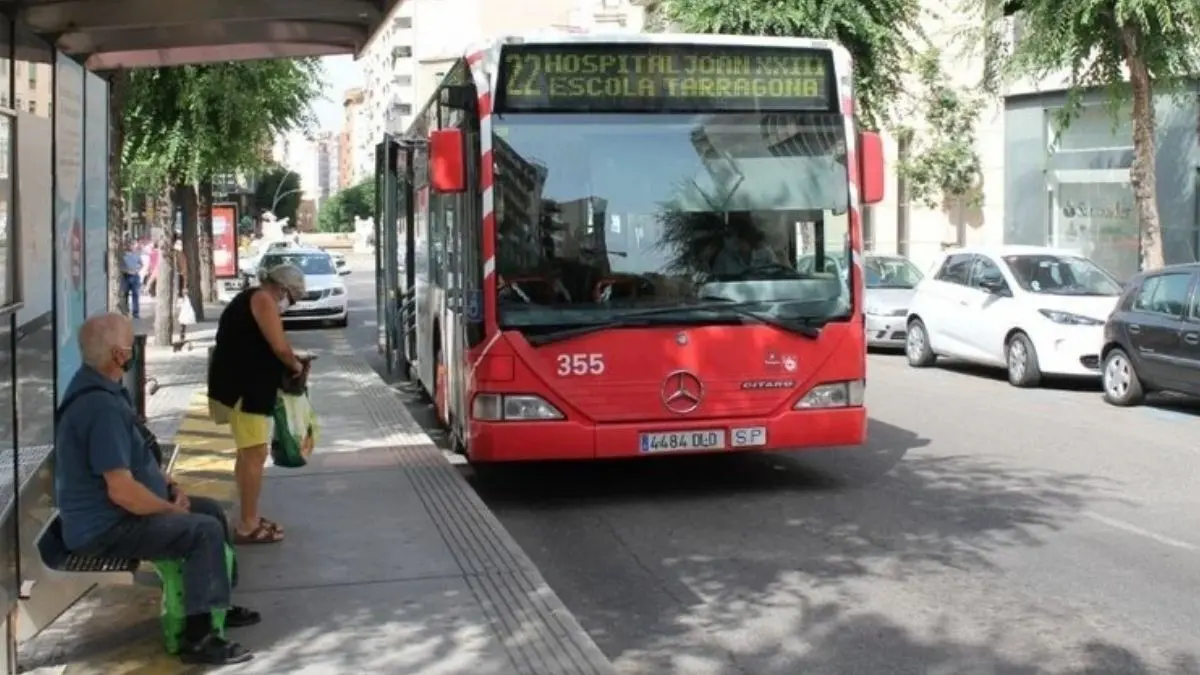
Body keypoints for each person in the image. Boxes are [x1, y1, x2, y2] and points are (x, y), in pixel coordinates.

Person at [55, 313, 258, 665]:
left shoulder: (101, 386)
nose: (134, 348)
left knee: (209, 510)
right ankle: (199, 638)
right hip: (105, 529)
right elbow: (121, 491)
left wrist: (170, 487)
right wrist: (169, 509)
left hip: (118, 515)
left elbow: (135, 457)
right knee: (202, 531)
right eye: (130, 343)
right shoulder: (100, 407)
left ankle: (216, 605)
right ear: (119, 355)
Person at [208, 264, 308, 545]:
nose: (290, 304)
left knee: (247, 454)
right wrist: (296, 365)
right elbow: (279, 347)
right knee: (254, 455)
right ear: (281, 288)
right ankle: (248, 524)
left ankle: (248, 516)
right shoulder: (263, 300)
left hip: (239, 386)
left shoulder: (250, 298)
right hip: (246, 391)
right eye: (292, 297)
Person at [119, 238, 143, 318]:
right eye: (130, 244)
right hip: (126, 276)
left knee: (135, 295)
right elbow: (120, 266)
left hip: (135, 276)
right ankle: (125, 312)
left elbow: (141, 264)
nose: (131, 246)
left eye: (132, 244)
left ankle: (135, 313)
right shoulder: (123, 255)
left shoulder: (136, 254)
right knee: (124, 295)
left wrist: (137, 269)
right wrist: (126, 270)